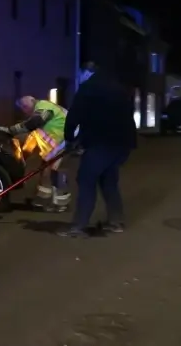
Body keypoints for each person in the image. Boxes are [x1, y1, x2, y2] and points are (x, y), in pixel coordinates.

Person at [59, 62, 137, 238]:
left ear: (87, 72)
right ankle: (116, 221)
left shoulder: (88, 88)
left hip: (101, 142)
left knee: (86, 179)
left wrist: (70, 139)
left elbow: (74, 115)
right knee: (108, 179)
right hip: (121, 144)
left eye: (80, 73)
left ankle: (79, 226)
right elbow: (126, 114)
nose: (79, 77)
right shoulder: (119, 88)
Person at [0, 95, 72, 212]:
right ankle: (43, 199)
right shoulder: (43, 106)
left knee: (55, 171)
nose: (25, 111)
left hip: (63, 142)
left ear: (29, 104)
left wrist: (11, 130)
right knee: (46, 169)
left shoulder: (43, 108)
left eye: (24, 108)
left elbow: (34, 122)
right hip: (59, 143)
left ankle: (60, 203)